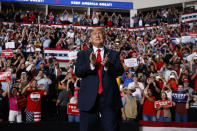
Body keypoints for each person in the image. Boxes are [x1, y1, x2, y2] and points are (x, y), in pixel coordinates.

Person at [75, 27, 124, 131]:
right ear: (90, 39)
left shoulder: (113, 54)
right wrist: (91, 65)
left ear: (104, 37)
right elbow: (78, 72)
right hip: (88, 99)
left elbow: (120, 71)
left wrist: (107, 65)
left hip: (109, 99)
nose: (97, 35)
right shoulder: (82, 54)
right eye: (95, 34)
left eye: (100, 33)